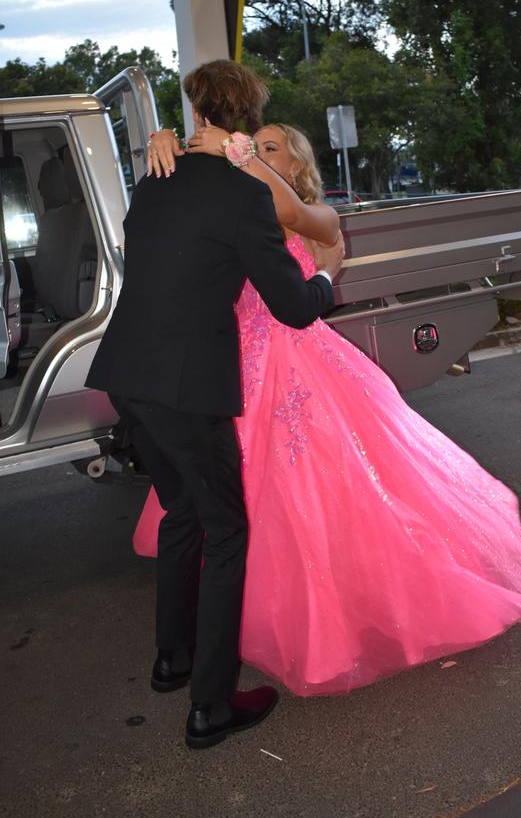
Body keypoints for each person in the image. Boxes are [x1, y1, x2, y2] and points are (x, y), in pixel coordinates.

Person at [137, 119, 521, 697]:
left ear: (295, 165)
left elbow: (313, 258)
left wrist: (245, 166)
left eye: (269, 148)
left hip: (301, 358)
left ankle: (316, 616)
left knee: (329, 485)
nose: (250, 153)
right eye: (253, 145)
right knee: (228, 499)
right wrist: (164, 133)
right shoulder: (237, 201)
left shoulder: (300, 212)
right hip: (238, 360)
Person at [85, 61, 344, 750]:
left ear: (196, 111)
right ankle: (210, 706)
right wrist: (323, 280)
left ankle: (171, 659)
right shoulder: (241, 194)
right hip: (183, 389)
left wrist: (164, 139)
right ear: (250, 119)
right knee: (226, 530)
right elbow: (291, 308)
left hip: (126, 377)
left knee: (183, 514)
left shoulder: (156, 179)